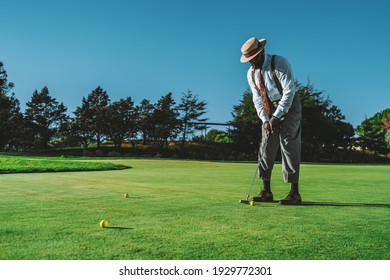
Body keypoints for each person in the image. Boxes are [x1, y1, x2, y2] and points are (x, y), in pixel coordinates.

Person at [240, 37, 302, 205]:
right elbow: (257, 99)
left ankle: (294, 193)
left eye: (254, 59)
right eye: (249, 61)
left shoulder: (280, 63)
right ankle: (266, 191)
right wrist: (265, 120)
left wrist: (277, 116)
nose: (252, 63)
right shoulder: (251, 73)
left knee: (288, 144)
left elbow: (289, 91)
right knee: (266, 145)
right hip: (268, 108)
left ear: (261, 53)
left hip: (289, 105)